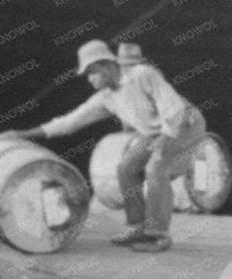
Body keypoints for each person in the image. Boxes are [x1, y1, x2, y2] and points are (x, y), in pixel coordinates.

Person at [18, 39, 206, 250]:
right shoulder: (106, 98)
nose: (90, 79)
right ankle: (139, 226)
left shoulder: (142, 75)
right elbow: (69, 122)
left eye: (93, 71)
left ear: (108, 64)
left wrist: (165, 138)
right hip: (155, 131)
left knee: (156, 168)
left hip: (183, 124)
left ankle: (159, 235)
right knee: (126, 167)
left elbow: (173, 106)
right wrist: (25, 133)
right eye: (87, 75)